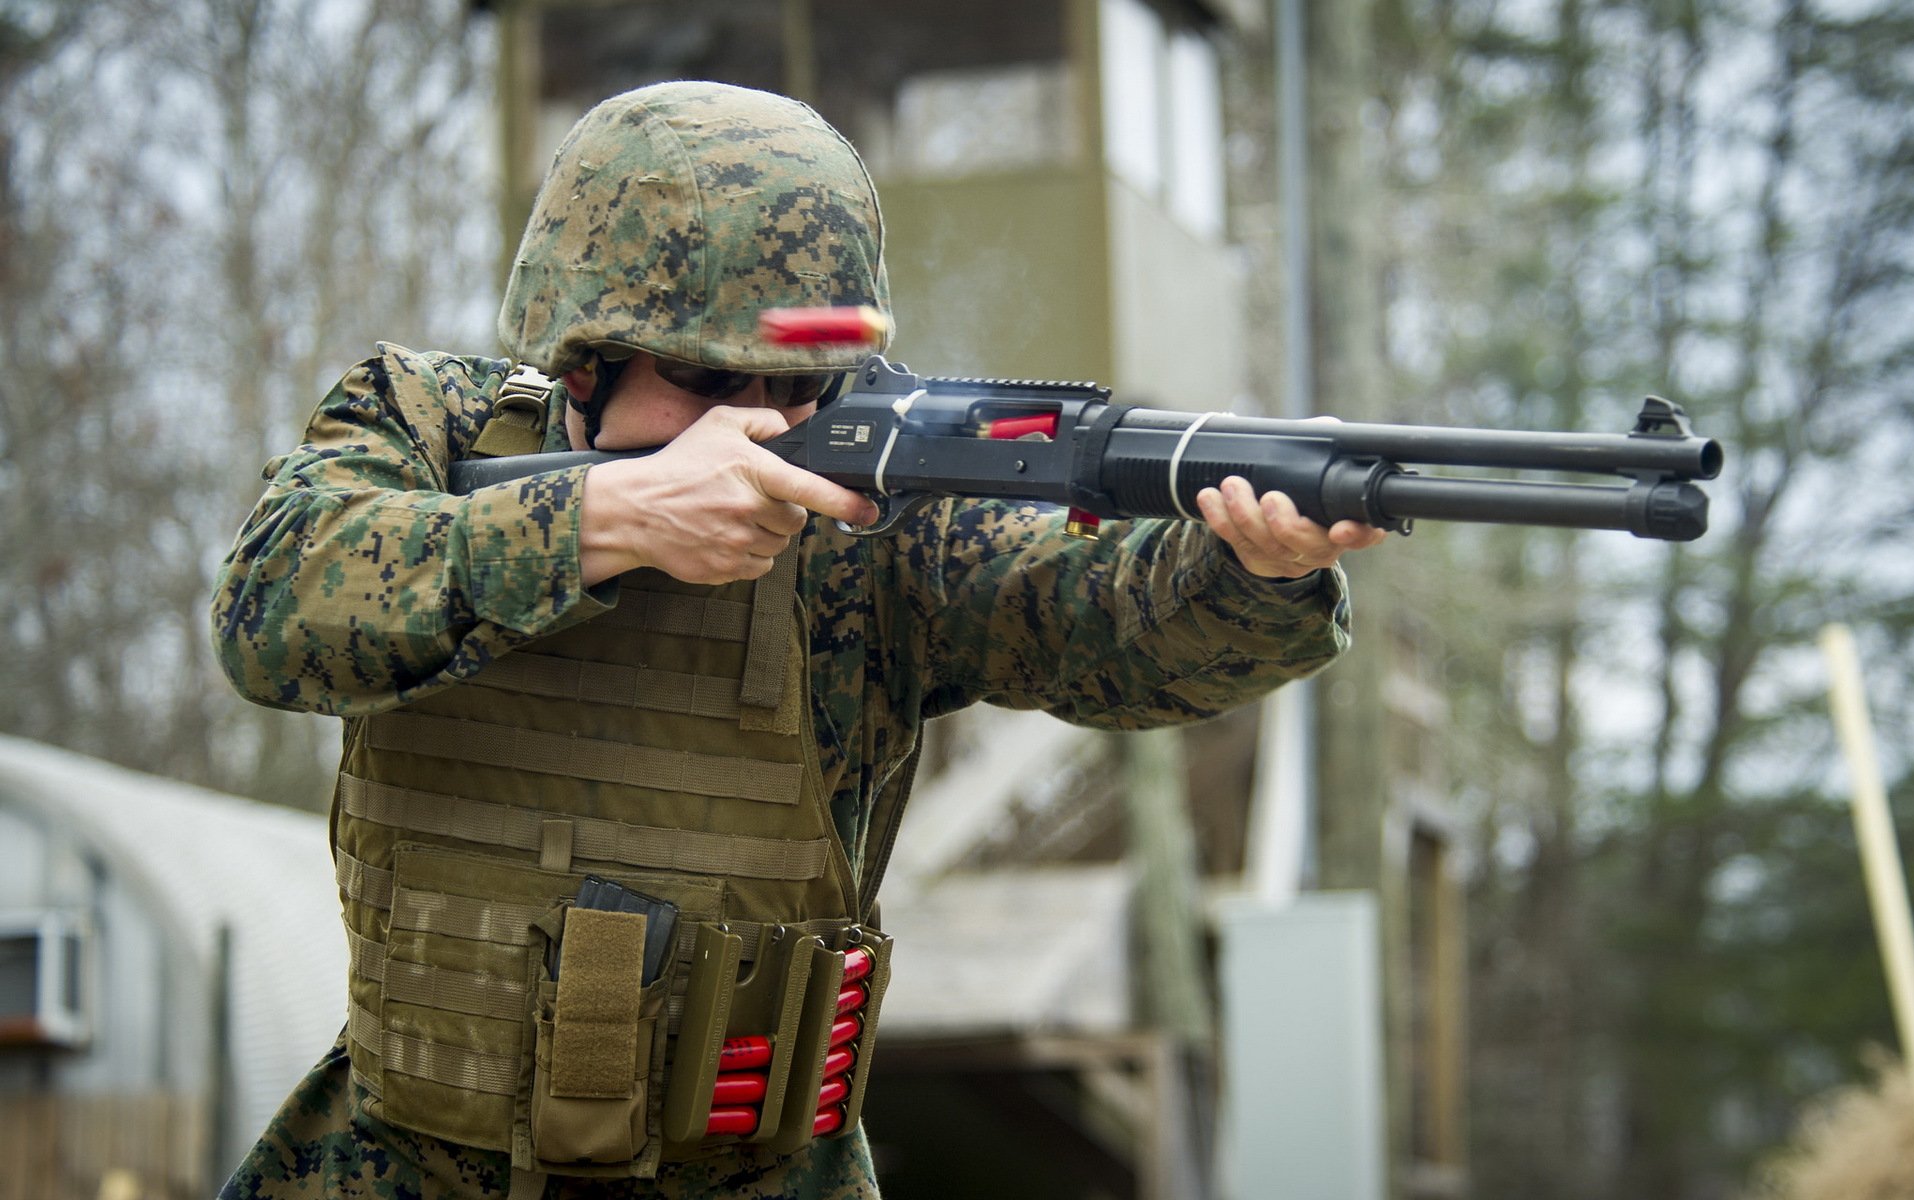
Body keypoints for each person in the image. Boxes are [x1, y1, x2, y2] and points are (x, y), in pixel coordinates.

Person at [210, 80, 1385, 1200]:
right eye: (705, 377)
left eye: (803, 384)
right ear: (582, 352)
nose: (762, 424)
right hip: (401, 1162)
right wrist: (603, 522)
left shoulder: (873, 523)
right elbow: (274, 613)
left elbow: (1102, 620)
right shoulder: (425, 424)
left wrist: (1246, 570)